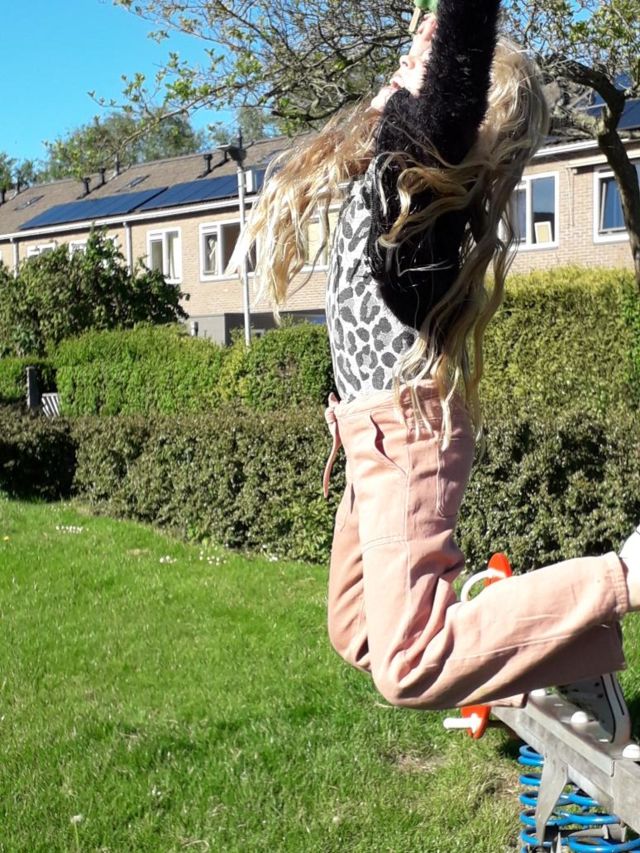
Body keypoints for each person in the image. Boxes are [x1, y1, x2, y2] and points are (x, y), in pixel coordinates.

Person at [235, 0, 640, 746]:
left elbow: (445, 98)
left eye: (427, 61)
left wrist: (458, 22)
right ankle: (567, 650)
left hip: (406, 439)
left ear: (459, 107)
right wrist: (419, 52)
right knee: (355, 629)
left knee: (407, 664)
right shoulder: (387, 176)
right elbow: (423, 97)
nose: (409, 61)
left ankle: (624, 577)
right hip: (367, 438)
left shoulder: (421, 200)